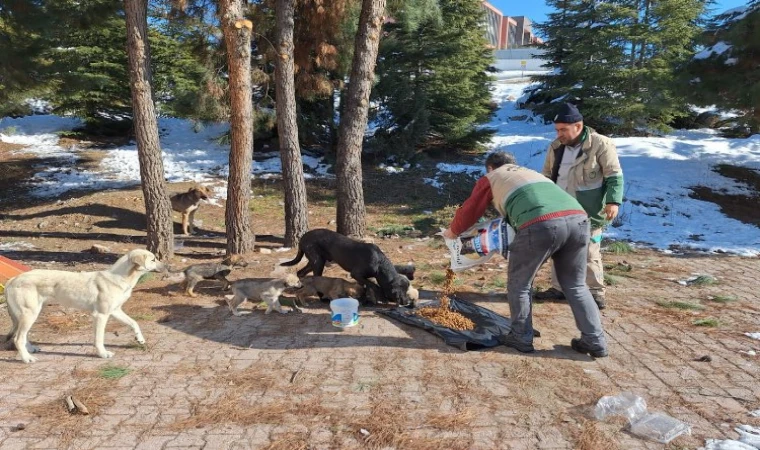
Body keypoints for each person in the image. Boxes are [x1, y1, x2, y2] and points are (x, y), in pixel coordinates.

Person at [442, 151, 608, 357]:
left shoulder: (492, 176)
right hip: (579, 220)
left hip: (541, 224)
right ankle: (595, 340)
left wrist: (453, 232)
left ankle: (520, 336)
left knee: (519, 283)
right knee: (575, 284)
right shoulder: (531, 174)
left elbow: (470, 209)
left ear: (491, 168)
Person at [534, 103, 624, 310]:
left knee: (590, 251)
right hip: (558, 209)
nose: (559, 134)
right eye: (557, 129)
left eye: (563, 129)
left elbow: (614, 175)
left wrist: (612, 202)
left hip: (588, 210)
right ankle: (559, 288)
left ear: (578, 126)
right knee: (558, 249)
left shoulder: (601, 144)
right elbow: (547, 176)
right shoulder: (555, 147)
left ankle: (595, 292)